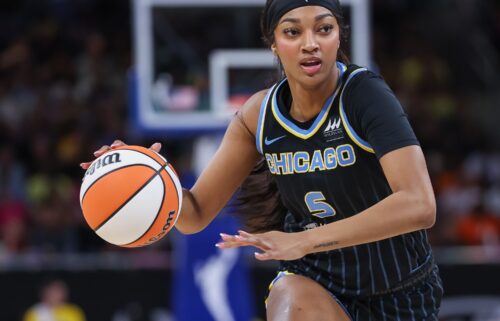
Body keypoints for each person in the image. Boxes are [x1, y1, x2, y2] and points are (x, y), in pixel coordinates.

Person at [81, 0, 443, 319]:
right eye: (292, 31)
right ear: (273, 43)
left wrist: (304, 241)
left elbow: (419, 205)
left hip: (400, 287)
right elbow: (194, 214)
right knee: (290, 298)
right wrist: (148, 177)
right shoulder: (258, 115)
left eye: (324, 28)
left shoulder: (364, 95)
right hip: (317, 281)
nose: (310, 43)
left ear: (339, 37)